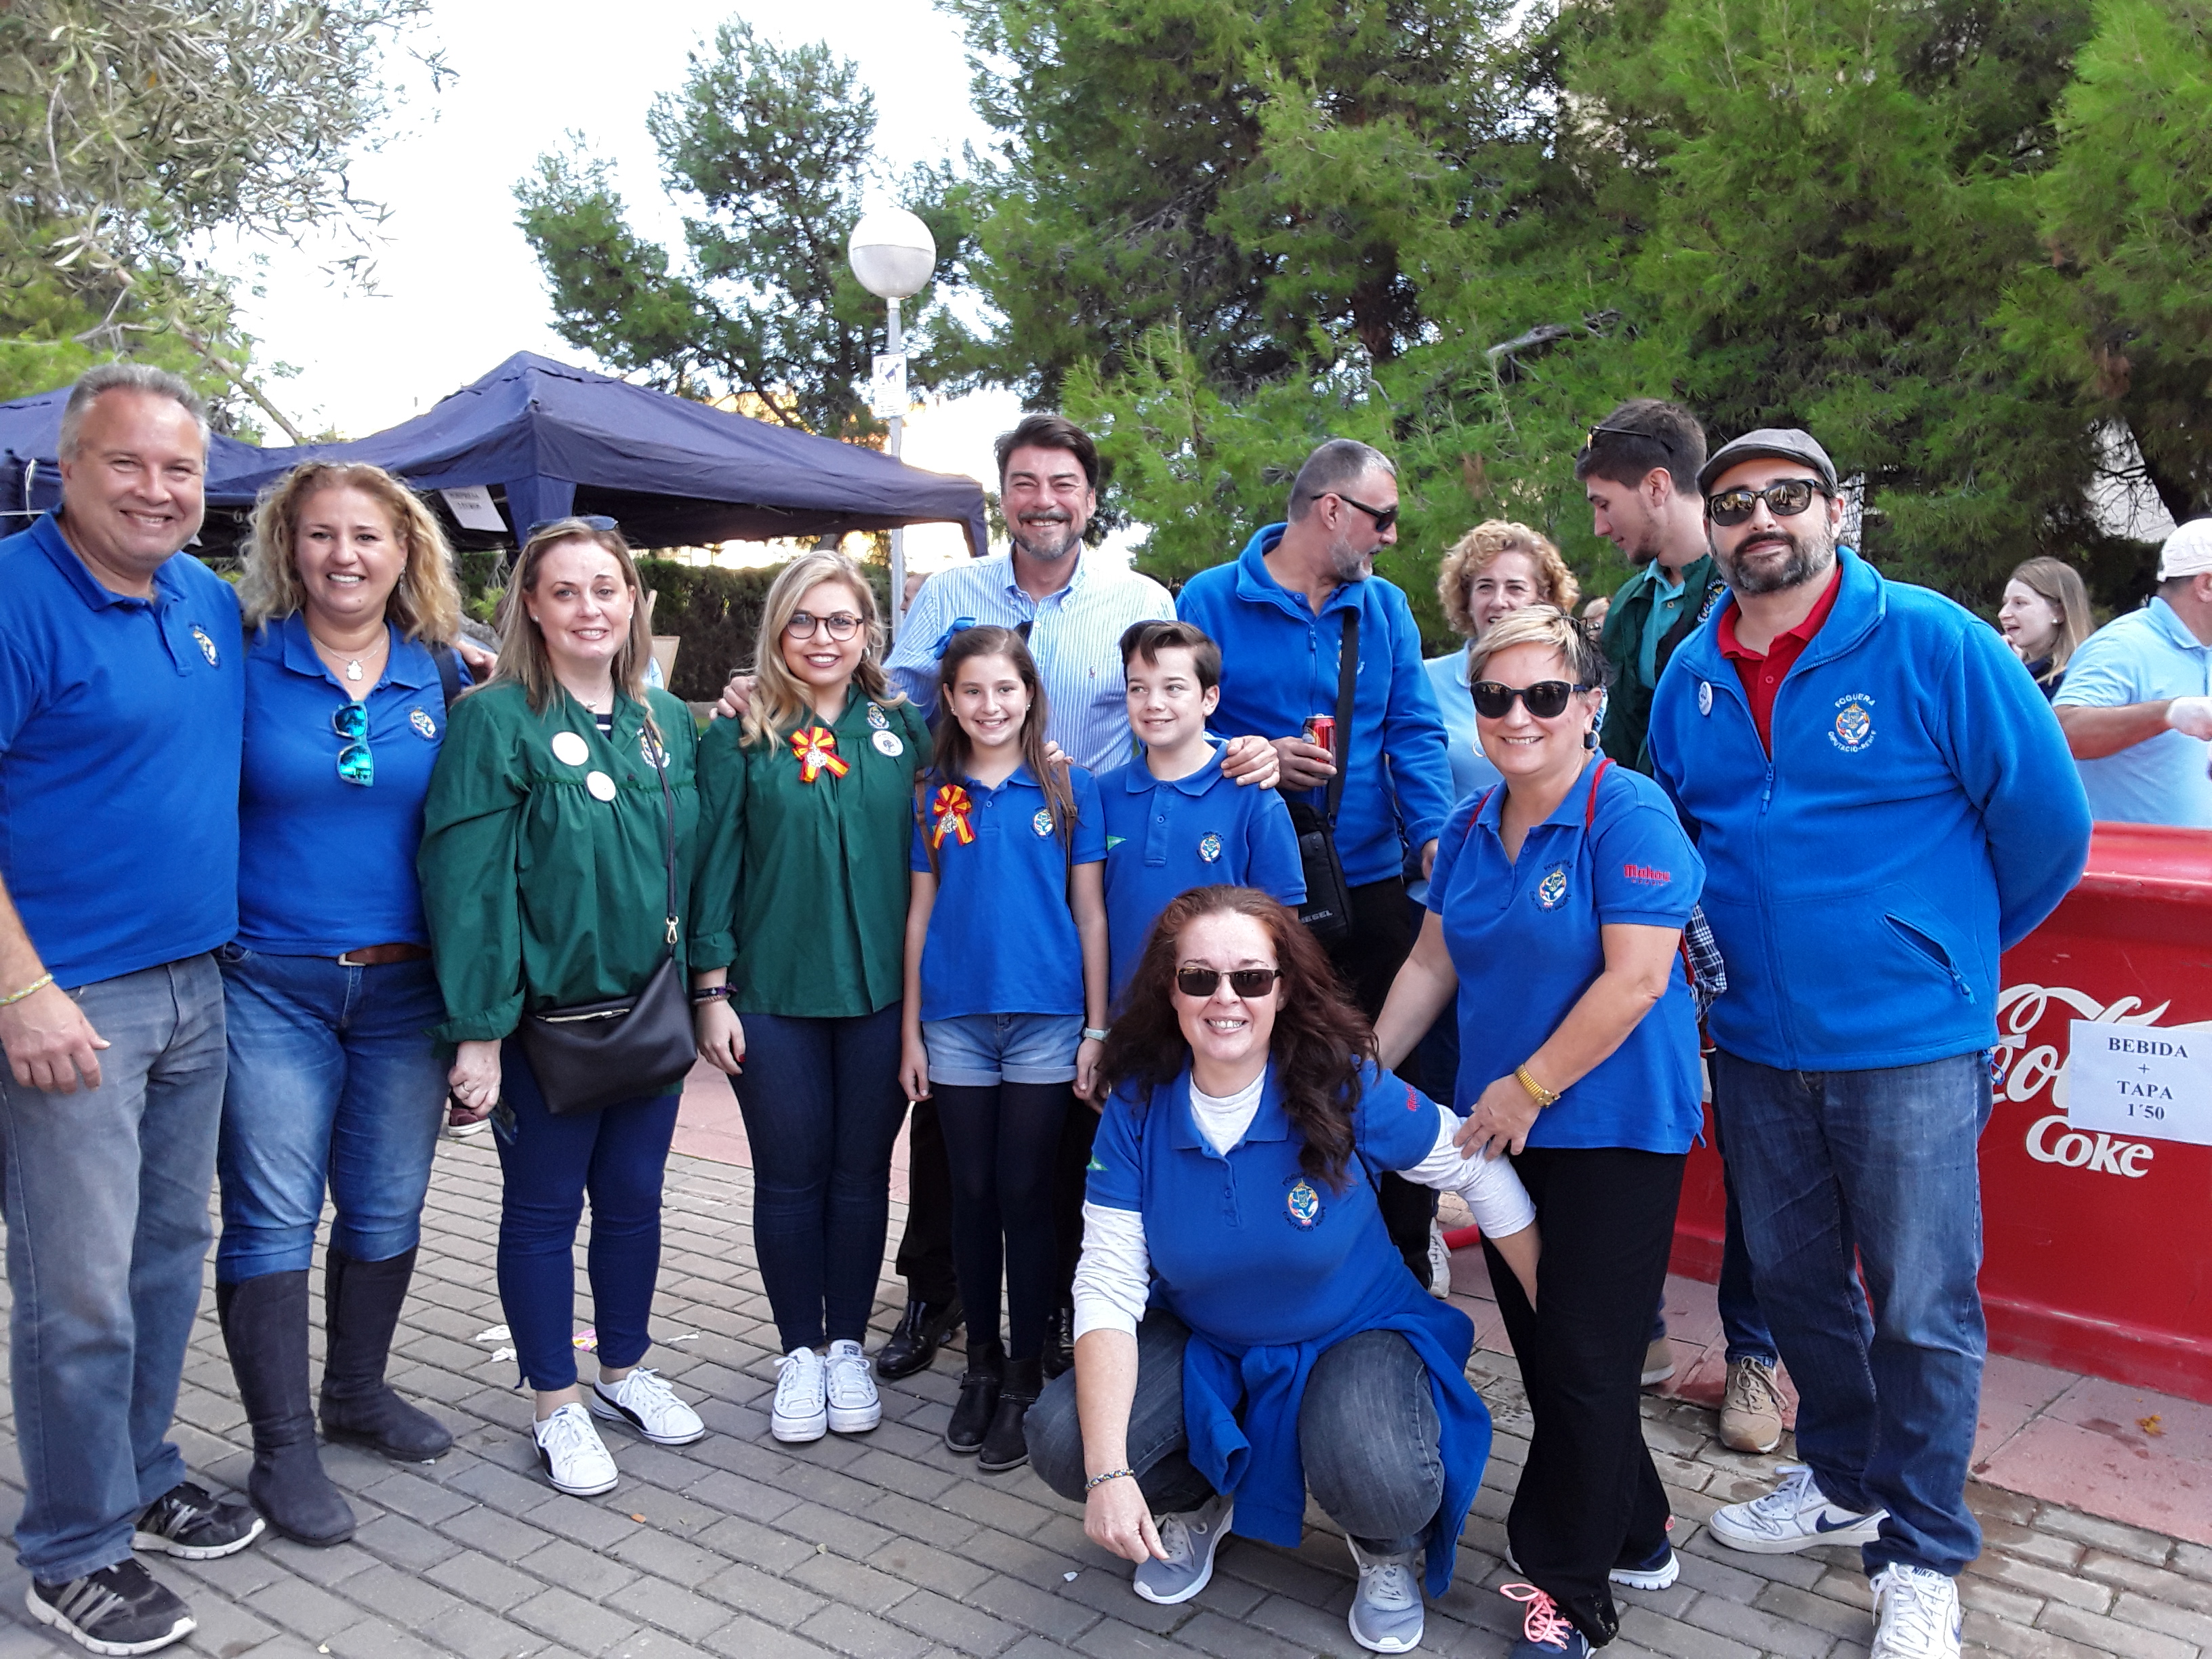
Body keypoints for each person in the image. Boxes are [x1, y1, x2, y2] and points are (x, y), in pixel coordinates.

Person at [1647, 429, 2092, 1659]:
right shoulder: (1692, 668)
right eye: (1730, 503)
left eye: (1783, 497)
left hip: (1906, 1044)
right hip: (1749, 1041)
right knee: (1795, 1288)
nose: (1757, 522)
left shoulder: (1935, 640)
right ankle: (1841, 1478)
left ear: (1834, 509)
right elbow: (1673, 829)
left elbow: (2047, 826)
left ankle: (1920, 1547)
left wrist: (1940, 949)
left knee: (1920, 1305)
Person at [831, 415, 1275, 1384]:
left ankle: (1071, 1314)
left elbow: (1178, 695)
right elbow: (890, 705)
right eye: (1025, 482)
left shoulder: (1136, 597)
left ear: (1088, 496)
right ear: (1004, 495)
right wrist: (780, 705)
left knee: (1068, 1137)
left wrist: (1252, 750)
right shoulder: (950, 592)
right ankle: (937, 1297)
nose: (1043, 500)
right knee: (953, 1147)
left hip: (1088, 861)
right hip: (974, 855)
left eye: (1062, 483)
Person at [1025, 886, 1539, 1658]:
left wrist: (1551, 1311)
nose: (1224, 998)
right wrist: (1107, 1475)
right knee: (1067, 1441)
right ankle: (1197, 1499)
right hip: (1208, 1337)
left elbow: (1478, 1171)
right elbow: (1105, 1286)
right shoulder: (1138, 1105)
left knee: (1378, 1469)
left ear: (1284, 987)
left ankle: (1386, 1546)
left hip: (1355, 1327)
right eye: (1199, 978)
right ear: (1171, 991)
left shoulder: (1340, 1082)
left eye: (1250, 979)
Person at [1374, 605, 1708, 1658]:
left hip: (1611, 1128)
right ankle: (1639, 1530)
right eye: (1494, 696)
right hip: (1503, 1134)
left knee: (1583, 1354)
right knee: (1561, 1349)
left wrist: (1526, 1085)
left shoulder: (1632, 816)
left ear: (1590, 705)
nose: (1517, 716)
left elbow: (1639, 978)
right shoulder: (1473, 825)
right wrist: (1359, 1075)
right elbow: (1432, 964)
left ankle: (1570, 1591)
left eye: (1544, 696)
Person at [0, 365, 265, 1656]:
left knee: (168, 1253)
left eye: (181, 471)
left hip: (194, 980)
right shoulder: (12, 602)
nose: (159, 490)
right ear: (68, 469)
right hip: (68, 1003)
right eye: (130, 464)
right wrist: (20, 986)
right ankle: (69, 1547)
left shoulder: (204, 598)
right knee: (76, 1292)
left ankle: (143, 1470)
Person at [420, 516, 708, 1498]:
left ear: (633, 601)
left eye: (608, 588)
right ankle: (556, 1402)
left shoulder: (664, 722)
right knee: (543, 1214)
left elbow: (695, 868)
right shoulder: (493, 719)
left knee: (633, 1202)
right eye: (567, 590)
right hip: (545, 1027)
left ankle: (623, 1368)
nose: (592, 607)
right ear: (532, 607)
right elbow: (470, 889)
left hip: (649, 1015)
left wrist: (708, 988)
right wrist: (479, 1033)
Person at [218, 463, 468, 1549]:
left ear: (404, 551)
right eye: (321, 536)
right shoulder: (238, 664)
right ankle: (283, 1451)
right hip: (271, 980)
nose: (345, 557)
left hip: (407, 990)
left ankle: (356, 1395)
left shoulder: (445, 676)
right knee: (274, 1213)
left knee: (384, 1208)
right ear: (290, 547)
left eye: (368, 536)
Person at [1176, 437, 1456, 1290]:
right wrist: (1253, 748)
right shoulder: (1211, 598)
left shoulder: (1388, 610)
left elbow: (1414, 731)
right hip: (1258, 892)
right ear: (1332, 510)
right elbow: (1180, 721)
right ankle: (1273, 1243)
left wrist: (1437, 841)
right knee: (1271, 1063)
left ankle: (1407, 1245)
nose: (1392, 537)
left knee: (1406, 1060)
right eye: (1384, 518)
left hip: (1369, 875)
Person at [689, 551, 931, 1445]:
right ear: (777, 629)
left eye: (841, 621)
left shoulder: (904, 729)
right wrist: (711, 990)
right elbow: (712, 866)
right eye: (804, 620)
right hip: (773, 993)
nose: (822, 638)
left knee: (861, 1178)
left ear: (869, 632)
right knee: (791, 1178)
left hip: (877, 995)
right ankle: (798, 1350)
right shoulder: (741, 732)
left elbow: (972, 801)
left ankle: (845, 1348)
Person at [900, 626, 1109, 1471]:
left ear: (1030, 694)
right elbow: (919, 915)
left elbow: (1090, 913)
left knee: (1028, 1192)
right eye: (973, 692)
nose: (991, 707)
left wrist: (1097, 1027)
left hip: (1048, 1022)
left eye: (1006, 690)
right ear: (949, 699)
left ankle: (1028, 1372)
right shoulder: (930, 795)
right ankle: (979, 1367)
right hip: (953, 1022)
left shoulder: (1066, 789)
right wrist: (911, 1027)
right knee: (972, 1193)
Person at [1100, 620, 1305, 1002]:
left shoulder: (1251, 792)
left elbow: (1283, 925)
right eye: (1138, 688)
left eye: (1173, 688)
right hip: (1125, 1020)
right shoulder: (1101, 795)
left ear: (1209, 698)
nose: (1153, 703)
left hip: (1220, 1017)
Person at [1575, 401, 1728, 771]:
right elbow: (1619, 741)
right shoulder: (1630, 604)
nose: (1599, 527)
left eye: (1604, 504)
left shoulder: (1748, 589)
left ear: (1656, 487)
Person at [2053, 518, 2212, 826]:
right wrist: (2167, 714)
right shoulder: (2123, 646)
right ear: (2207, 585)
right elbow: (2062, 732)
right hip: (2130, 867)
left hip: (2194, 867)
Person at [1425, 521, 1580, 802]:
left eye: (1515, 588)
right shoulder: (1425, 681)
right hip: (1453, 843)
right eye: (1485, 587)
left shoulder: (1574, 682)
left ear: (1543, 599)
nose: (1498, 602)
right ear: (1467, 599)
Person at [1996, 556, 2091, 700]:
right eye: (2005, 603)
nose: (2003, 614)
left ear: (2059, 612)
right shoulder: (2016, 669)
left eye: (2020, 603)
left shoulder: (2073, 685)